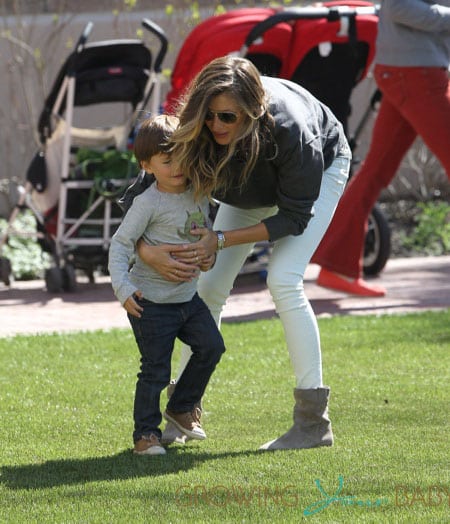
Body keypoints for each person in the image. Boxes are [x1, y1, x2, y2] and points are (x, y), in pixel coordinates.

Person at [136, 56, 352, 451]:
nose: (215, 125)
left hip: (317, 172)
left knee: (283, 279)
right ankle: (183, 411)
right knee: (207, 286)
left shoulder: (294, 131)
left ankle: (312, 424)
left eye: (227, 118)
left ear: (253, 112)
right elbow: (145, 188)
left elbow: (294, 218)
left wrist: (217, 240)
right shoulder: (196, 126)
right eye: (208, 116)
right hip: (250, 183)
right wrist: (146, 250)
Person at [313, 0, 450, 297]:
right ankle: (335, 264)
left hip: (412, 72)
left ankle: (335, 266)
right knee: (375, 171)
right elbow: (398, 6)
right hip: (415, 75)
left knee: (374, 172)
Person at [108, 115, 225, 456]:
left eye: (183, 156)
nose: (177, 166)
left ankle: (181, 407)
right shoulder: (148, 203)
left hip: (188, 299)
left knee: (212, 347)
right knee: (155, 370)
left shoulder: (199, 195)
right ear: (146, 165)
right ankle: (145, 436)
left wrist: (209, 257)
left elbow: (204, 237)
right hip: (151, 302)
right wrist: (123, 289)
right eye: (166, 159)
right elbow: (120, 244)